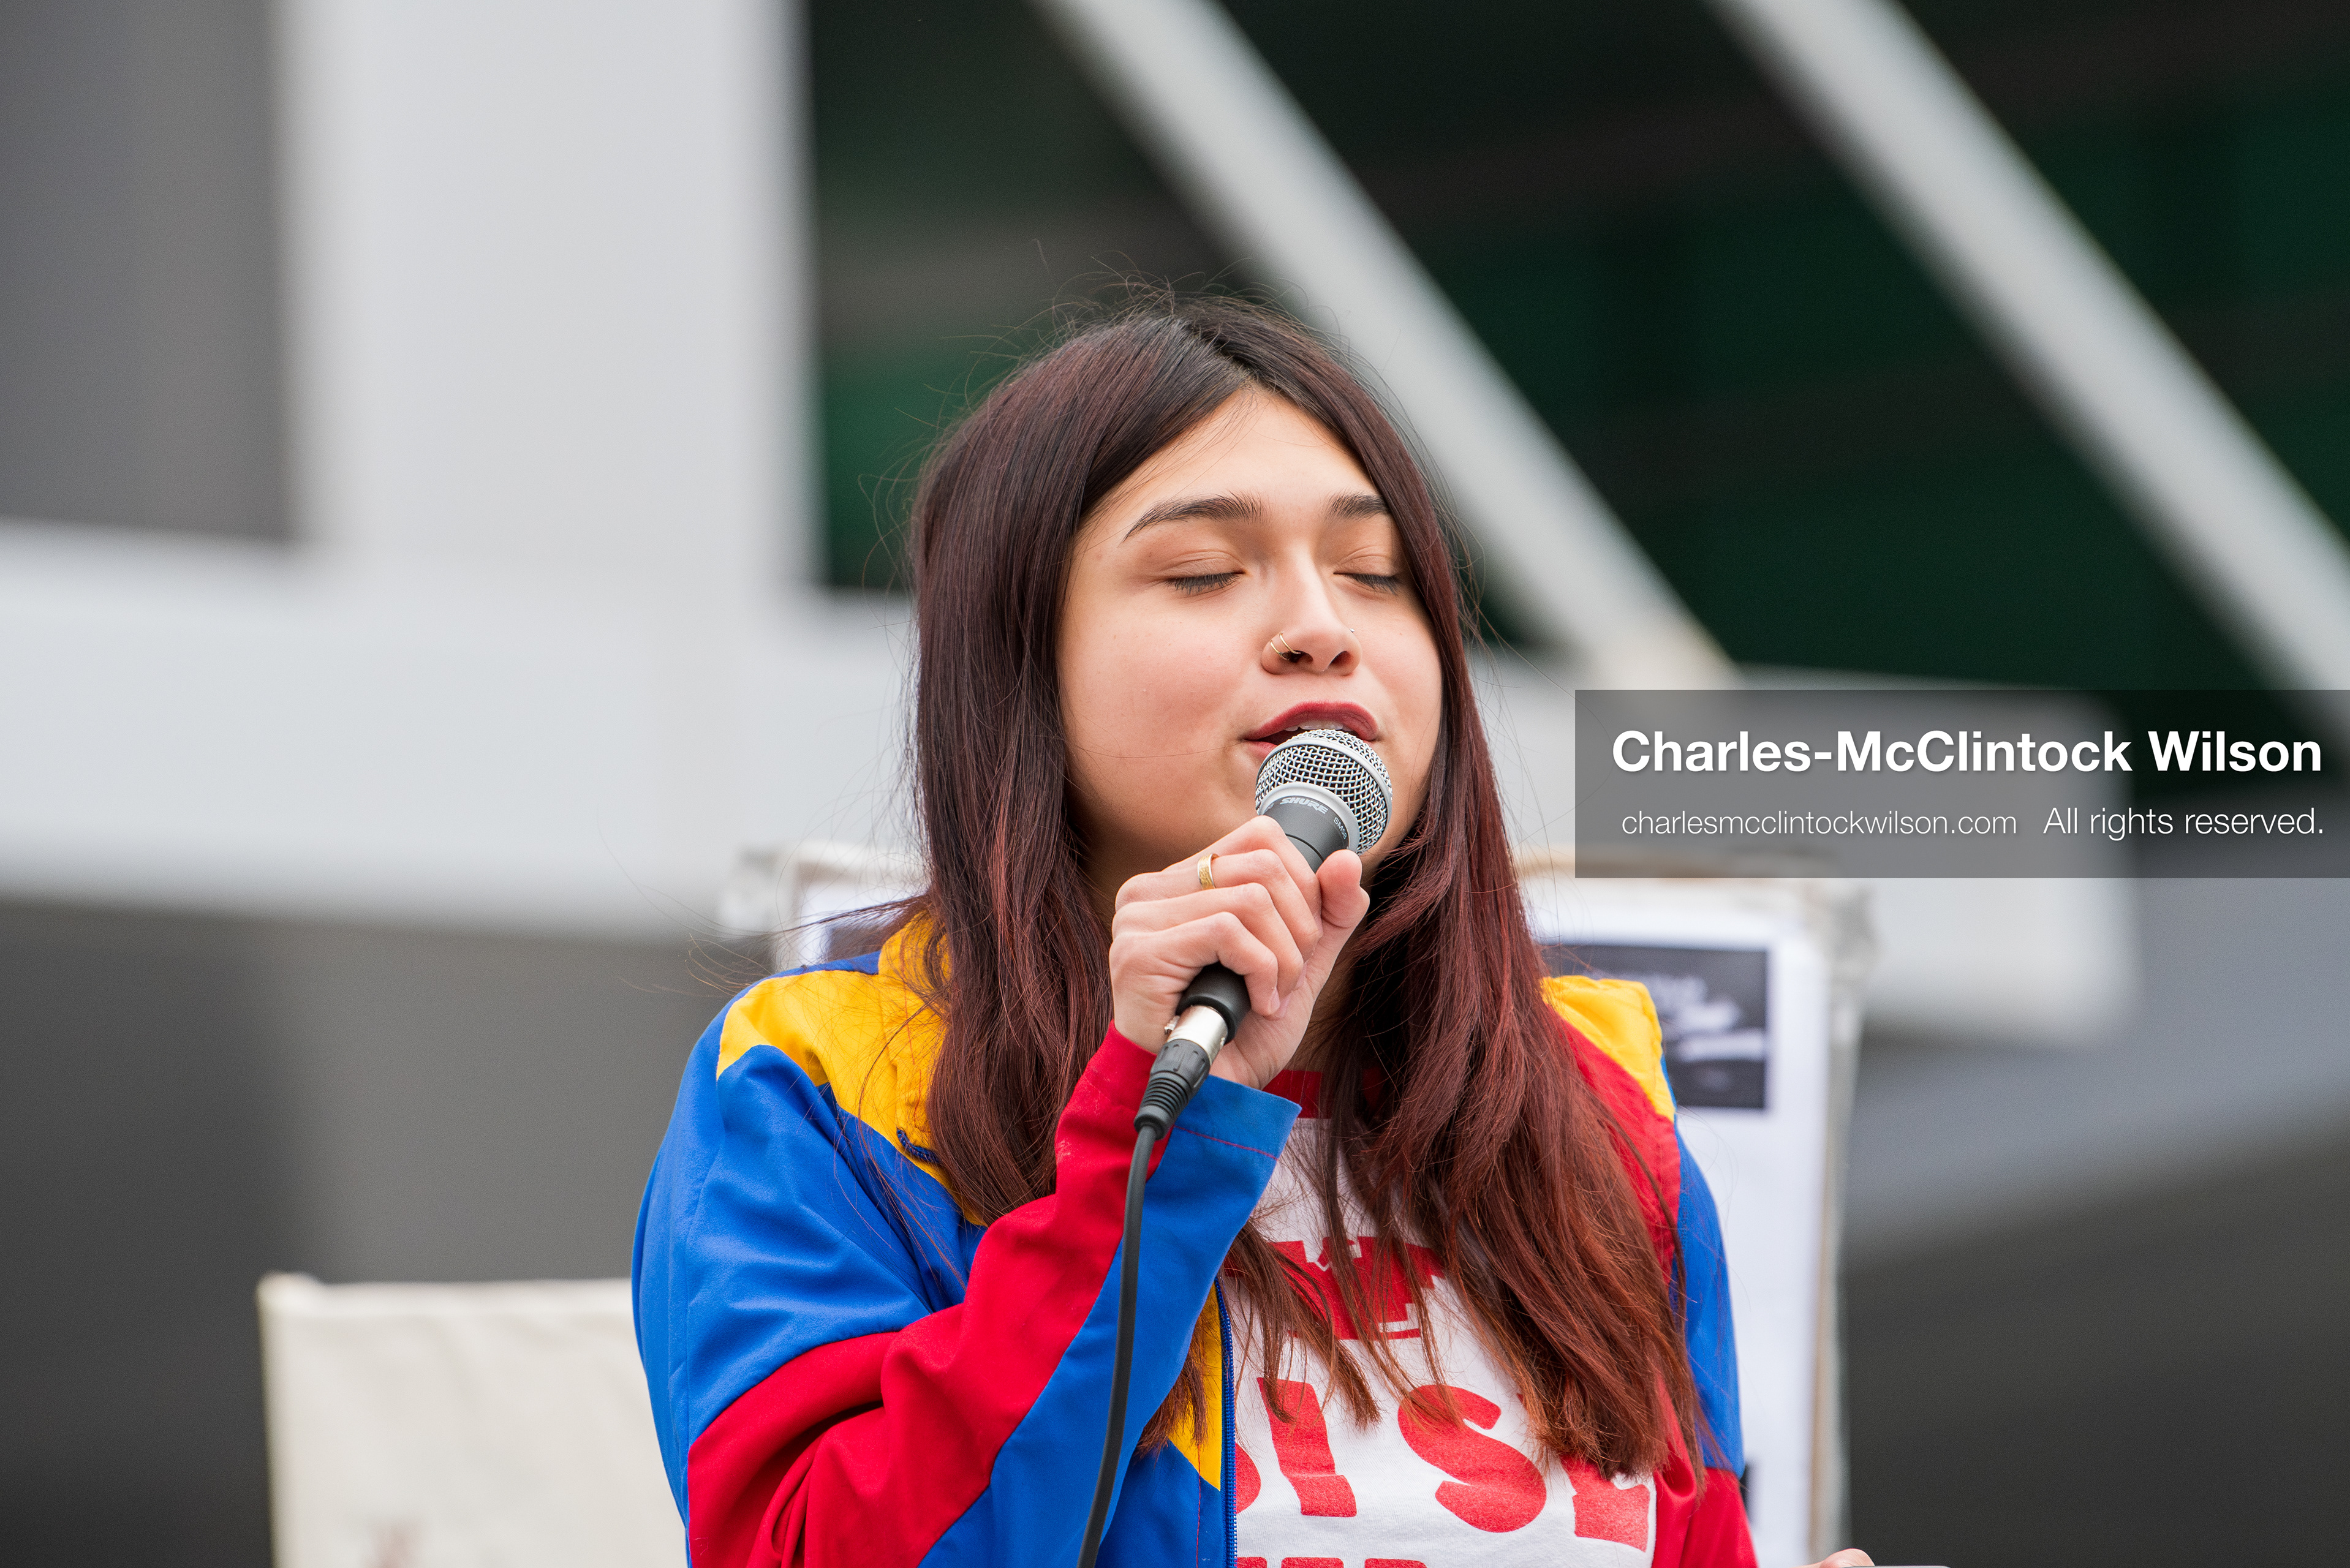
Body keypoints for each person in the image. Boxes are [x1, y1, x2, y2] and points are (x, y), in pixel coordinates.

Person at [633, 294, 1871, 1568]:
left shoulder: (1597, 1116)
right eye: (1205, 572)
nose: (1320, 627)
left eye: (1377, 576)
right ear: (1019, 666)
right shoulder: (819, 1088)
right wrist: (1161, 1125)